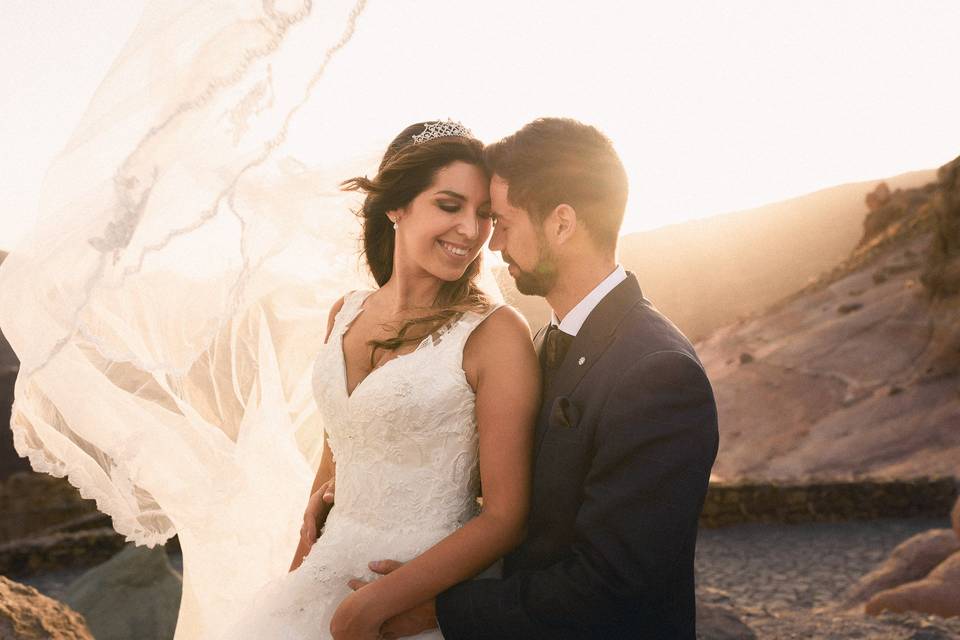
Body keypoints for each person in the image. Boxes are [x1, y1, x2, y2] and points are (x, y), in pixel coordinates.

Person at [312, 118, 720, 639]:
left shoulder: (656, 371)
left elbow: (617, 583)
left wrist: (438, 610)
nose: (491, 242)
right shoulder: (549, 341)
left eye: (498, 219)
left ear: (562, 223)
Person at [213, 120, 540, 640]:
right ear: (397, 205)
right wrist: (307, 544)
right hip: (323, 575)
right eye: (449, 206)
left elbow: (506, 517)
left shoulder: (495, 333)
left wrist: (374, 606)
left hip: (416, 593)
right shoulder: (345, 311)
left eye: (483, 214)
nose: (470, 231)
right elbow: (338, 446)